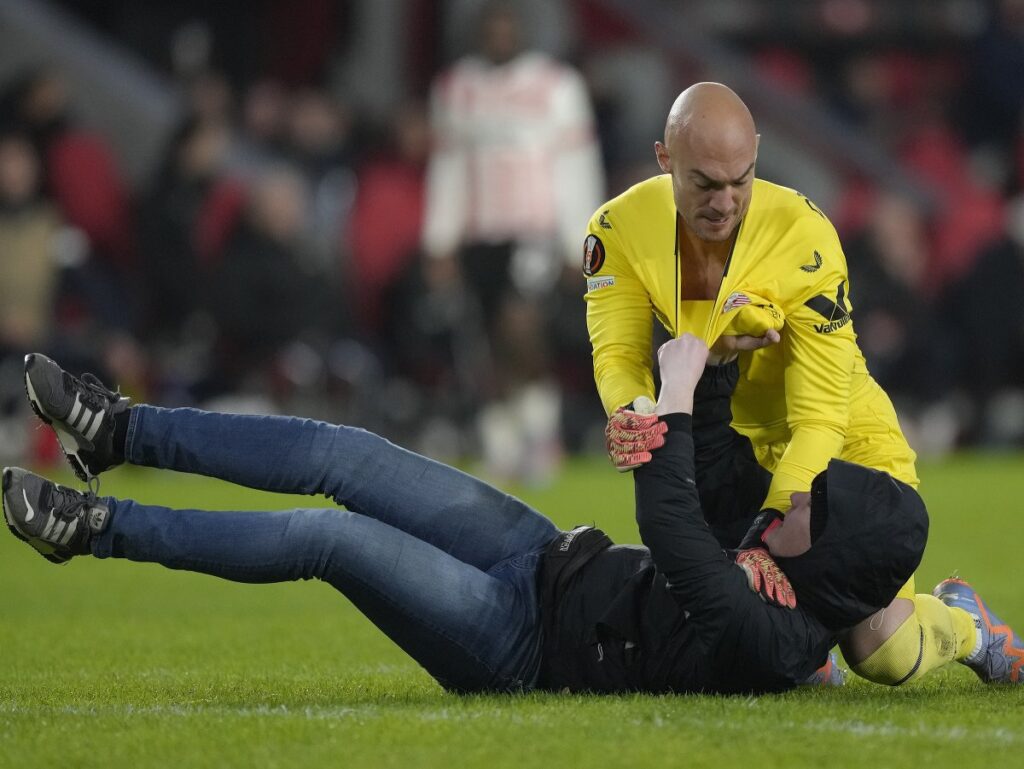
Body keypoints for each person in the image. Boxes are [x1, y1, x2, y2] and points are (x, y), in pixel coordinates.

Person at [11, 340, 1006, 695]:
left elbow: (672, 526)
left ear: (827, 564)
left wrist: (669, 399)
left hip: (521, 645)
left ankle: (93, 527)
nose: (794, 494)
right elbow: (712, 460)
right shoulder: (789, 550)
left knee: (330, 536)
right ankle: (118, 425)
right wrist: (712, 363)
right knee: (348, 454)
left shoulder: (775, 637)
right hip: (545, 555)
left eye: (812, 509)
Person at [585, 81, 1011, 686]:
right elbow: (618, 353)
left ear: (758, 154)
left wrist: (766, 533)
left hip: (840, 450)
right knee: (756, 649)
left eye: (741, 180)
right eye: (705, 183)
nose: (725, 202)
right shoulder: (618, 229)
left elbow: (820, 415)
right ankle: (813, 652)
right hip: (732, 451)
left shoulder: (802, 236)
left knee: (883, 654)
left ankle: (966, 623)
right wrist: (631, 411)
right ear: (664, 160)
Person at [421, 0, 605, 481]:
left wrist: (578, 240)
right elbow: (447, 166)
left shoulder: (557, 85)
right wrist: (439, 238)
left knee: (519, 325)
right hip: (479, 231)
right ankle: (502, 443)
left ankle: (541, 433)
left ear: (522, 32)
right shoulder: (456, 88)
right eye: (492, 30)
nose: (500, 37)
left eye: (507, 29)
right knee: (484, 340)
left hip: (534, 229)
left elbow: (577, 165)